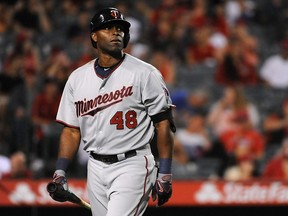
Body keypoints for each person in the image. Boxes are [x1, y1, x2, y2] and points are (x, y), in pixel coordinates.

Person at [48, 7, 175, 216]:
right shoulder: (77, 78)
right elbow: (71, 130)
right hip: (95, 166)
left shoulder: (145, 73)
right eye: (108, 28)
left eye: (120, 28)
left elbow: (163, 124)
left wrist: (165, 173)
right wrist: (60, 171)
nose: (116, 32)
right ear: (94, 36)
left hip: (133, 164)